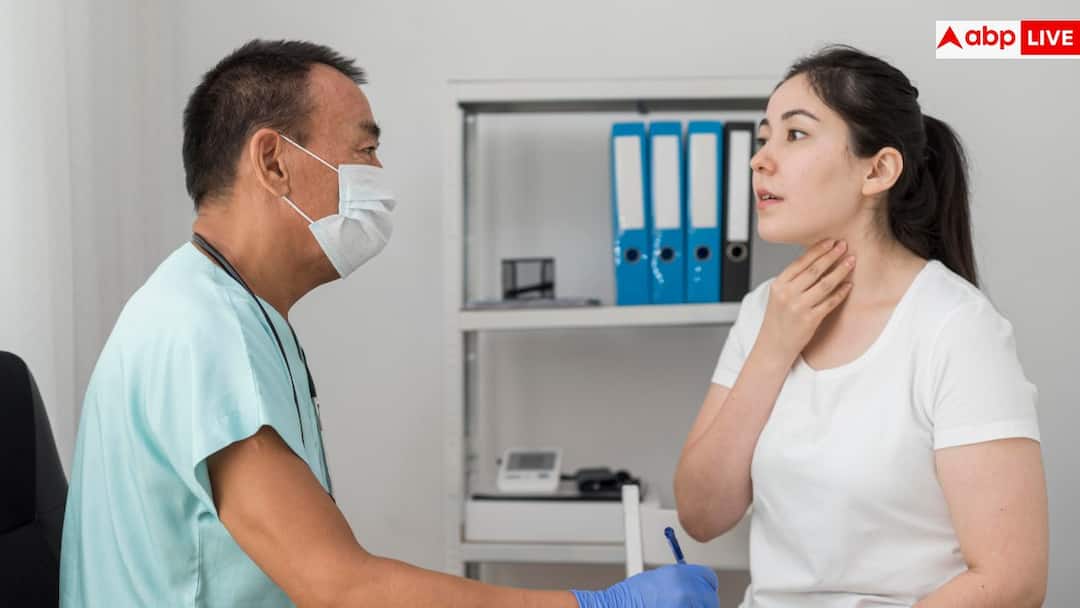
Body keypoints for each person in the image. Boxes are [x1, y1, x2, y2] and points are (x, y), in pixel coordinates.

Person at [59, 39, 720, 607]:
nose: (379, 178)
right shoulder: (204, 328)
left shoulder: (227, 309)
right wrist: (596, 604)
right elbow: (340, 587)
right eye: (365, 150)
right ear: (273, 162)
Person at [674, 45, 1048, 607]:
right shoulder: (763, 311)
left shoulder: (956, 327)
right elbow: (702, 515)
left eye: (795, 135)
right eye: (763, 138)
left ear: (878, 170)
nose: (760, 161)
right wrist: (772, 350)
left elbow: (1012, 580)